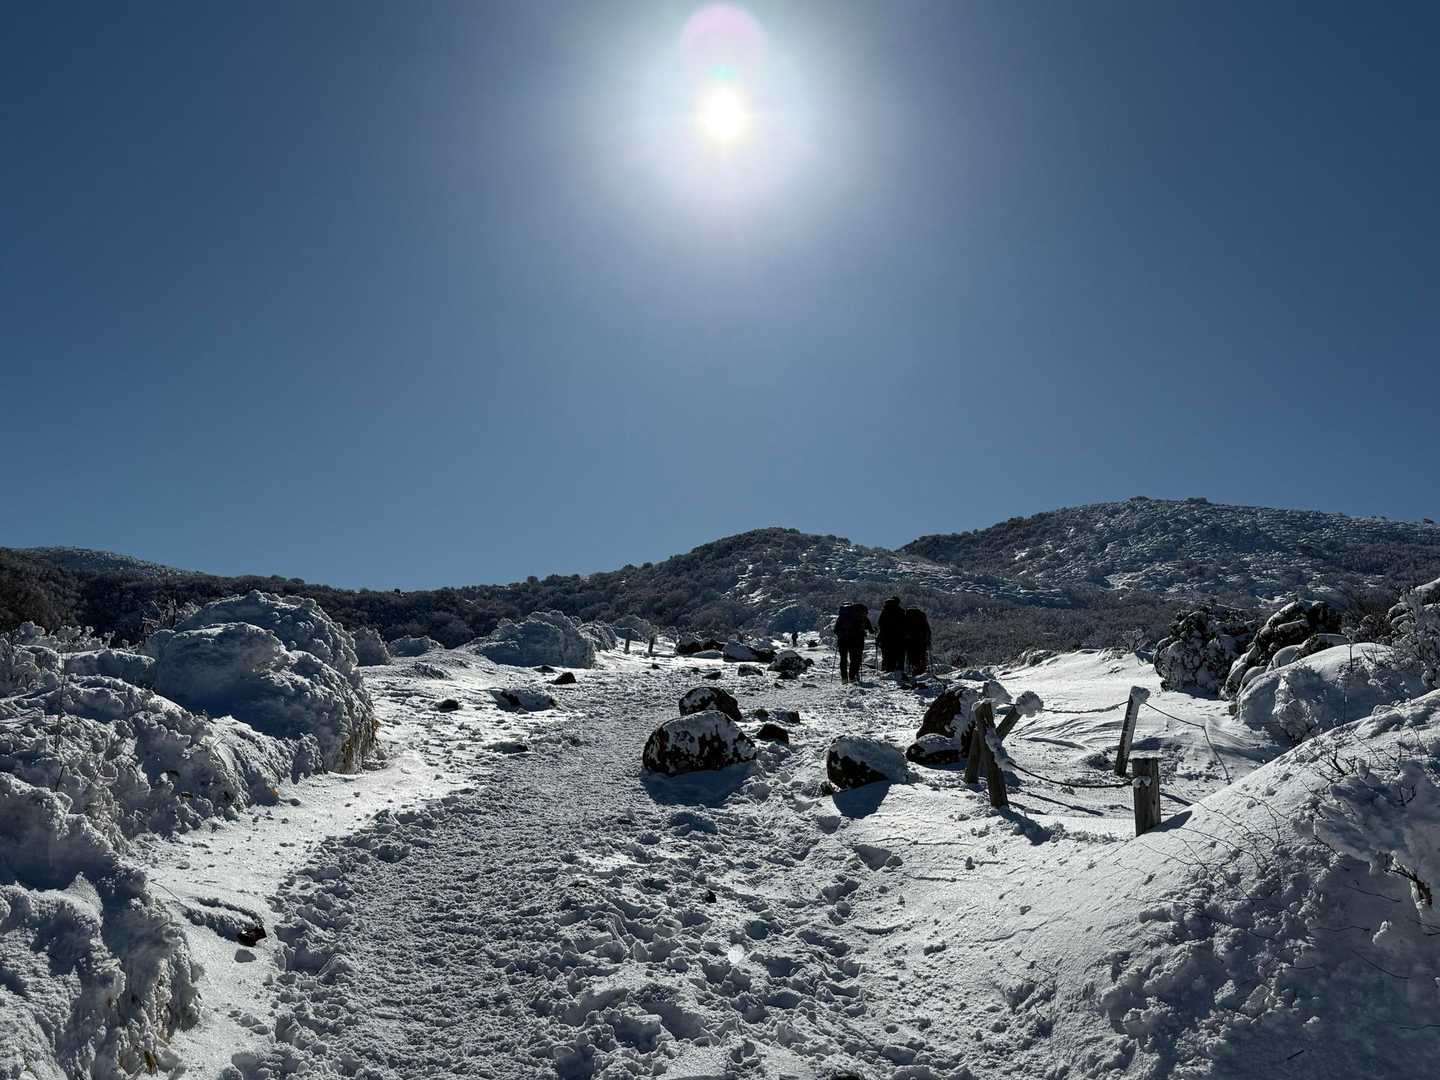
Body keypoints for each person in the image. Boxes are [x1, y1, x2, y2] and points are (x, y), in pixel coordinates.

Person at [833, 603, 872, 685]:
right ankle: (852, 677)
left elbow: (835, 630)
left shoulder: (842, 616)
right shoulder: (861, 616)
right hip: (855, 641)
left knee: (843, 659)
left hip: (842, 641)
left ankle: (844, 678)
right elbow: (870, 629)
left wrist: (842, 634)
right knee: (854, 659)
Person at [876, 596, 907, 673]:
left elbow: (880, 623)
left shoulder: (885, 611)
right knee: (899, 655)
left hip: (886, 637)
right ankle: (899, 671)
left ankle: (887, 670)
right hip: (899, 637)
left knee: (887, 654)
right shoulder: (901, 611)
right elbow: (905, 624)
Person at [904, 607, 931, 675]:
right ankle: (921, 670)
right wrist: (928, 640)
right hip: (921, 640)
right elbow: (927, 629)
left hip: (910, 640)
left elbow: (903, 629)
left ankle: (913, 669)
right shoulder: (922, 616)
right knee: (921, 655)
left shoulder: (907, 617)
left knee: (911, 656)